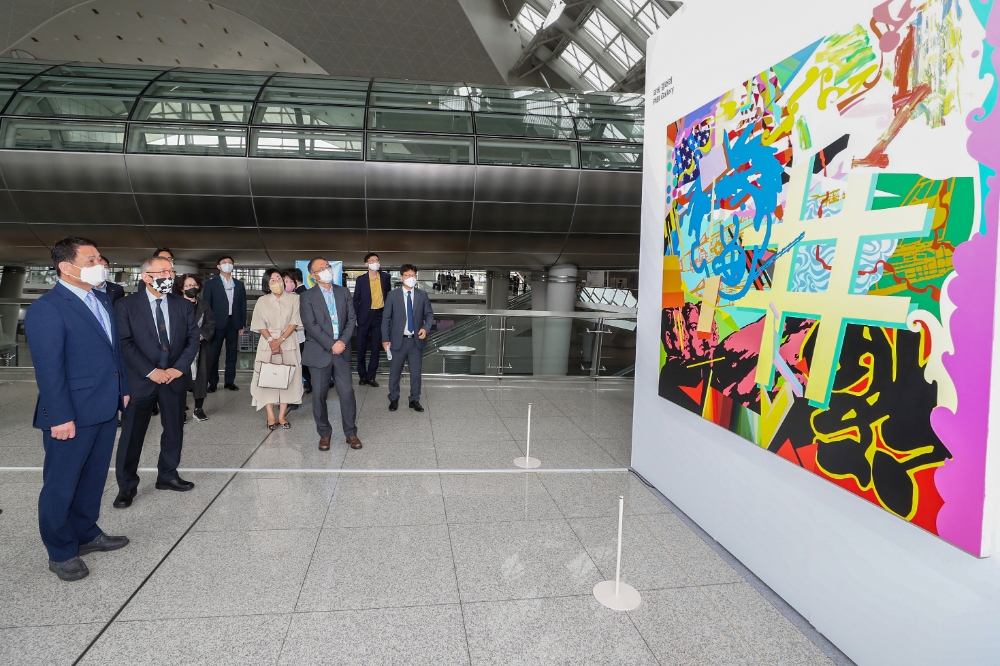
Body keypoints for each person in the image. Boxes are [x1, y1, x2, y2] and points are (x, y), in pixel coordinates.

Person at [25, 237, 130, 582]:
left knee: (92, 479)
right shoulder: (47, 309)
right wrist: (60, 416)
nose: (99, 264)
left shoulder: (100, 298)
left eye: (99, 257)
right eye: (90, 259)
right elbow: (49, 370)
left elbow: (115, 352)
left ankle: (86, 532)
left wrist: (123, 391)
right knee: (61, 485)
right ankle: (60, 551)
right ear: (66, 268)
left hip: (103, 407)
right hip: (70, 414)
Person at [113, 256, 199, 509]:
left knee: (174, 429)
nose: (169, 276)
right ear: (146, 277)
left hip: (173, 379)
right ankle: (126, 486)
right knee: (132, 434)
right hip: (142, 380)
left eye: (171, 272)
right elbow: (125, 343)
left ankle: (168, 475)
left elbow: (193, 339)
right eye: (163, 271)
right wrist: (151, 371)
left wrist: (177, 369)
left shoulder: (182, 305)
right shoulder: (126, 306)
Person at [301, 257, 362, 451]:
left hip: (341, 351)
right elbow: (310, 325)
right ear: (313, 275)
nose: (327, 269)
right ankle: (324, 433)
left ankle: (351, 432)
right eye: (322, 268)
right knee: (319, 395)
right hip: (319, 352)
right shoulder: (307, 296)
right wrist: (331, 344)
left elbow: (352, 319)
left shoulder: (343, 292)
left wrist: (342, 342)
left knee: (346, 393)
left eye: (327, 266)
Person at [250, 268, 303, 430]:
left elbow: (295, 321)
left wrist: (280, 340)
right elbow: (260, 324)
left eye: (279, 278)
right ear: (267, 283)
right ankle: (270, 415)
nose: (276, 282)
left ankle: (282, 416)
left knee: (288, 379)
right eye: (272, 280)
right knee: (267, 379)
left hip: (288, 343)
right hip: (268, 344)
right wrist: (272, 341)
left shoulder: (294, 299)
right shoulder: (262, 301)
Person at [382, 264, 433, 412]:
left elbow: (429, 315)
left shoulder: (422, 295)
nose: (411, 278)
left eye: (413, 275)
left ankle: (414, 400)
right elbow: (385, 319)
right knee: (395, 372)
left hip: (416, 341)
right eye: (407, 275)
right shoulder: (393, 295)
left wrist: (425, 328)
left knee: (416, 373)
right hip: (398, 340)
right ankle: (393, 398)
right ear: (401, 277)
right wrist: (385, 339)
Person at [203, 255, 246, 392]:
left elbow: (242, 305)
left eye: (230, 263)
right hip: (216, 323)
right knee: (214, 354)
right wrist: (207, 325)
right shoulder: (211, 284)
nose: (228, 264)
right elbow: (206, 306)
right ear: (218, 266)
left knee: (232, 354)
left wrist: (241, 324)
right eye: (224, 262)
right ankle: (213, 382)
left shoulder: (239, 284)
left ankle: (229, 381)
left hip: (234, 322)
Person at [176, 274, 215, 422]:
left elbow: (210, 323)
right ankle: (181, 410)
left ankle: (198, 409)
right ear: (181, 288)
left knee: (201, 377)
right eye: (188, 286)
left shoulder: (204, 305)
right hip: (181, 348)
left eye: (194, 285)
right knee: (180, 379)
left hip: (201, 346)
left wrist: (200, 336)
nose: (191, 288)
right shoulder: (176, 304)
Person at [352, 252, 391, 388]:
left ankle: (371, 376)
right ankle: (362, 375)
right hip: (364, 316)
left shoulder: (385, 277)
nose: (375, 262)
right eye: (372, 260)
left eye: (377, 260)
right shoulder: (361, 279)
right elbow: (356, 300)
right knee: (361, 347)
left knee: (375, 347)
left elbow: (388, 296)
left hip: (379, 316)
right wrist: (355, 317)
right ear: (366, 264)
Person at [290, 268, 312, 394]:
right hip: (302, 334)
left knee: (301, 362)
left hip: (301, 334)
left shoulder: (300, 294)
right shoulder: (304, 292)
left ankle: (311, 383)